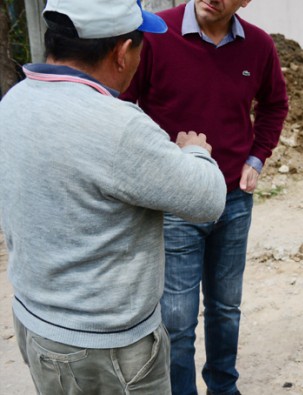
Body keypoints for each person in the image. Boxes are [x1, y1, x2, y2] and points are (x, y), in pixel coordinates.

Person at [0, 0, 227, 394]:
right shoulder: (117, 126)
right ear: (122, 52)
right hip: (107, 347)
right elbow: (207, 199)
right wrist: (195, 152)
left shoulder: (16, 101)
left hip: (37, 324)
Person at [121, 0, 289, 394]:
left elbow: (274, 104)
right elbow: (123, 107)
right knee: (177, 321)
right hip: (174, 202)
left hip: (233, 199)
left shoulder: (260, 46)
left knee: (226, 308)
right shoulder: (156, 33)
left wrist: (257, 157)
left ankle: (223, 387)